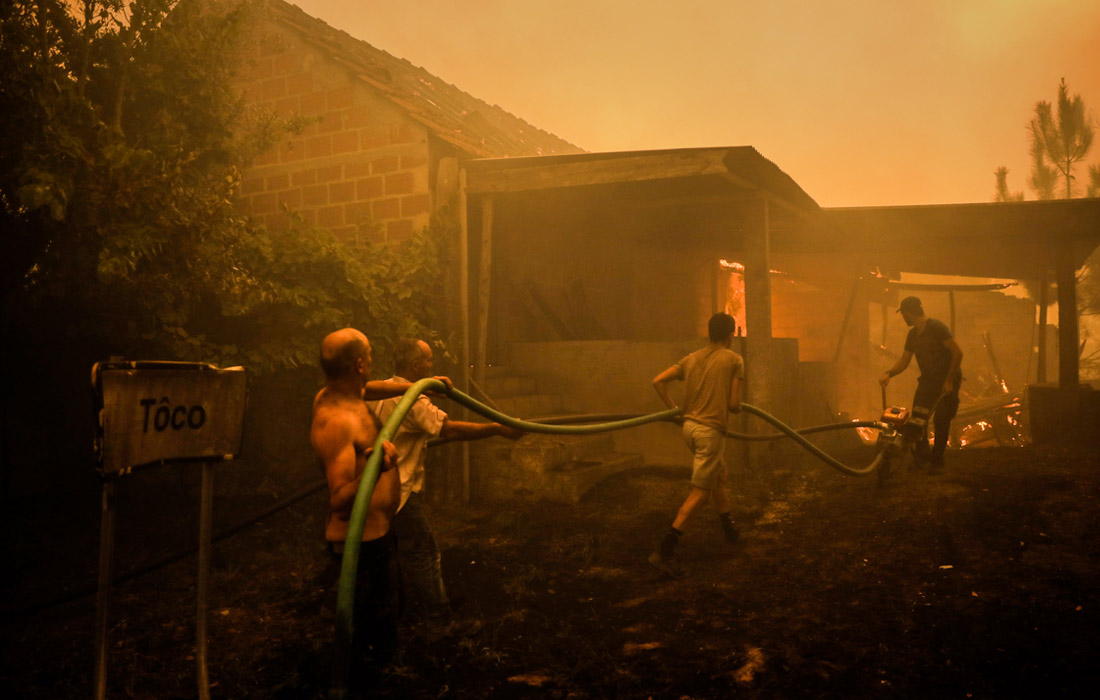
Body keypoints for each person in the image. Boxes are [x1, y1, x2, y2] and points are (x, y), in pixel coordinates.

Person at [369, 337, 522, 634]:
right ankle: (440, 621)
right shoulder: (412, 400)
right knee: (424, 551)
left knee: (388, 552)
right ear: (415, 365)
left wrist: (427, 386)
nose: (431, 365)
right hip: (398, 491)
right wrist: (498, 428)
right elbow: (449, 430)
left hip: (374, 488)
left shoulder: (384, 389)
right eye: (428, 360)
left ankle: (390, 614)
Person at [649, 312, 744, 579]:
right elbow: (735, 405)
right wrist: (726, 400)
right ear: (731, 335)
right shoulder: (735, 359)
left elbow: (658, 381)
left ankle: (730, 532)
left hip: (689, 428)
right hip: (709, 432)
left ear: (710, 334)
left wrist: (675, 411)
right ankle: (664, 550)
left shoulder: (691, 358)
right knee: (701, 492)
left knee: (719, 476)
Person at [879, 296, 964, 473]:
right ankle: (921, 458)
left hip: (947, 379)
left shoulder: (936, 328)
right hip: (928, 380)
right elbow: (904, 360)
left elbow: (957, 353)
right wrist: (890, 373)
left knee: (941, 419)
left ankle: (937, 461)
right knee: (917, 420)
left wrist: (948, 381)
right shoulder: (912, 335)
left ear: (909, 313)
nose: (903, 318)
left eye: (903, 314)